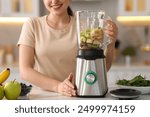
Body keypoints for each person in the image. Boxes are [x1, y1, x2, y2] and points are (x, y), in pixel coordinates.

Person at [17, 0, 118, 97]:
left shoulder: (82, 26)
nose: (54, 1)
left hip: (77, 94)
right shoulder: (33, 25)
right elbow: (25, 71)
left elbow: (100, 68)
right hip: (42, 97)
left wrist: (111, 42)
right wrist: (58, 86)